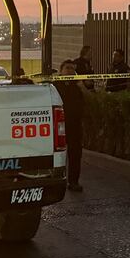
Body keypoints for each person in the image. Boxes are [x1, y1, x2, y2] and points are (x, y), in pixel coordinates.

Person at [55, 59, 87, 192]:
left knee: (75, 154)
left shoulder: (77, 86)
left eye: (72, 69)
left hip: (75, 125)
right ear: (61, 71)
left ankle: (73, 181)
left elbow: (87, 101)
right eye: (67, 68)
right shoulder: (55, 85)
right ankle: (56, 181)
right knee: (57, 154)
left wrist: (82, 86)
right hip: (59, 126)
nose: (70, 71)